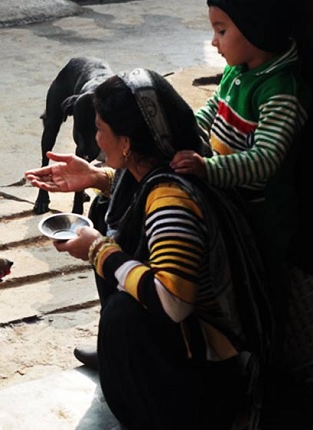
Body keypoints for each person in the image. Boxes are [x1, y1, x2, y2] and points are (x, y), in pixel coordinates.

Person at [25, 68, 270, 429]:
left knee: (123, 314)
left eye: (100, 130)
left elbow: (174, 301)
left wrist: (99, 252)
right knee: (102, 210)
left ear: (126, 142)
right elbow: (132, 191)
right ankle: (122, 363)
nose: (95, 139)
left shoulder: (171, 199)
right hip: (191, 347)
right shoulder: (160, 166)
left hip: (207, 375)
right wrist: (95, 177)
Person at [169, 2, 311, 422]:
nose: (213, 42)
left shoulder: (282, 89)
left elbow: (265, 158)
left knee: (261, 298)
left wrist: (209, 168)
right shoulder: (238, 73)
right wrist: (180, 132)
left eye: (221, 30)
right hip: (232, 204)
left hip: (264, 221)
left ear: (255, 28)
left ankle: (264, 375)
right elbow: (208, 115)